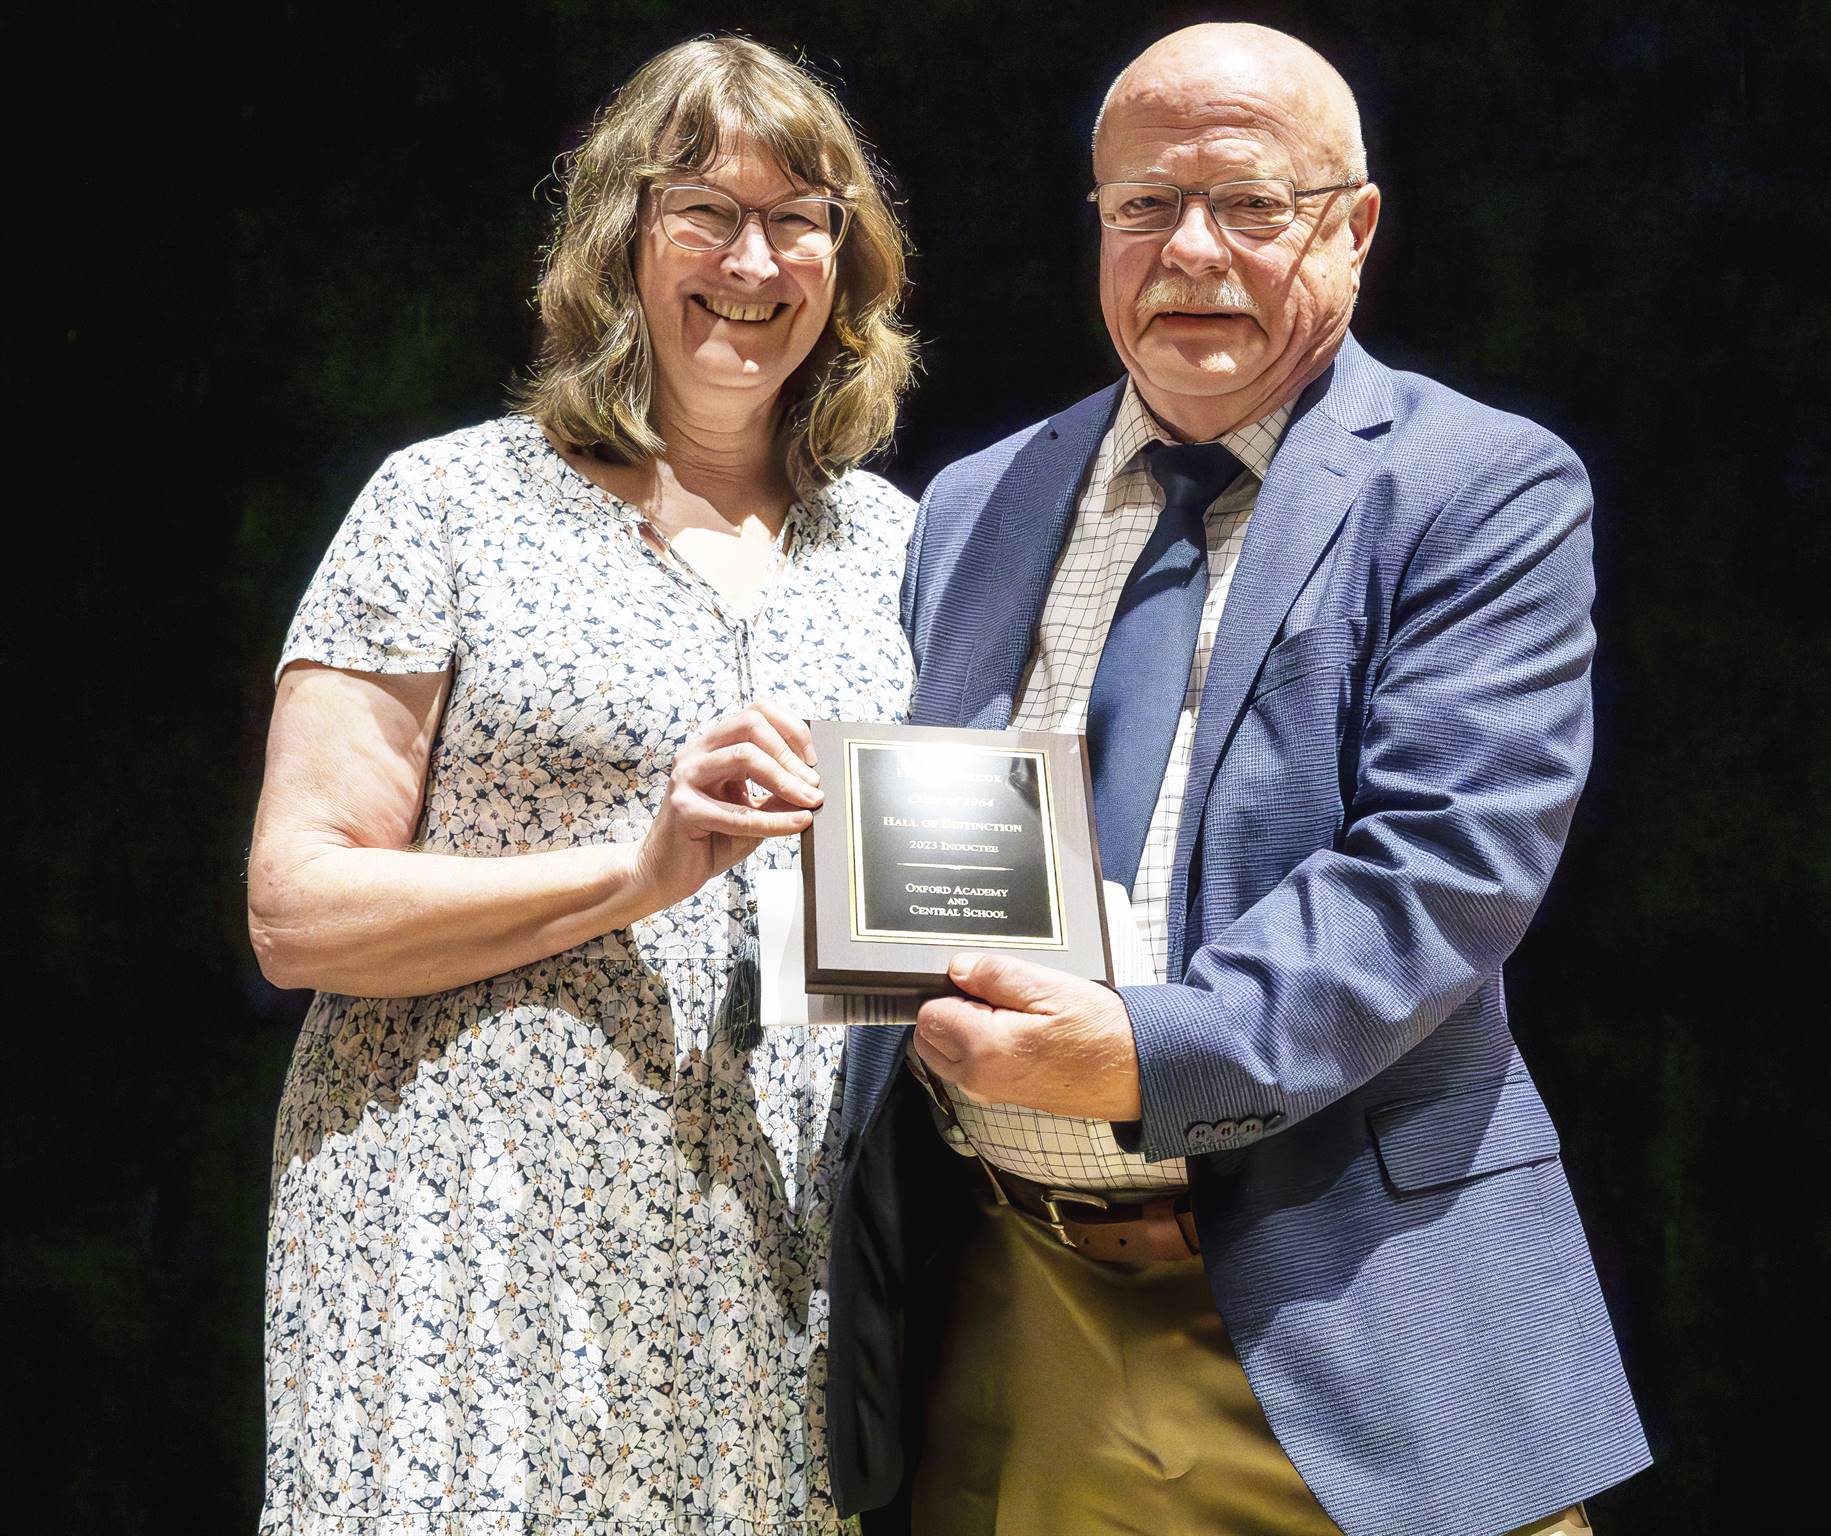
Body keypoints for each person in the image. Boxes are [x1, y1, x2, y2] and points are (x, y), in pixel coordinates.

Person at [828, 23, 1648, 1536]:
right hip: (1015, 1314)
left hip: (1353, 1315)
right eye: (1142, 206)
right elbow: (932, 843)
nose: (1189, 250)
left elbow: (1444, 874)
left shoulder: (1477, 486)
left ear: (1353, 225)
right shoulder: (973, 500)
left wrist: (1145, 1051)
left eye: (1249, 205)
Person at [247, 36, 915, 1536]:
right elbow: (297, 910)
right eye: (707, 211)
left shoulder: (894, 547)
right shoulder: (448, 503)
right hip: (468, 1237)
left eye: (799, 218)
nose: (756, 258)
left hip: (771, 1256)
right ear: (620, 239)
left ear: (846, 264)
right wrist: (636, 870)